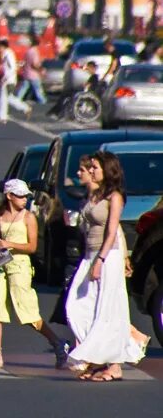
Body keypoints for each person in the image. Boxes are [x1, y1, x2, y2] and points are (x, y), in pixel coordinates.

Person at [65, 151, 145, 381]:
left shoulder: (114, 196)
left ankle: (114, 365)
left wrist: (101, 261)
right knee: (77, 305)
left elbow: (112, 231)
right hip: (89, 254)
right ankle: (96, 355)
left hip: (107, 256)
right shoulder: (95, 196)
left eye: (95, 168)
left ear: (107, 171)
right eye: (89, 168)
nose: (90, 171)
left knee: (109, 308)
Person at [0, 179, 69, 368]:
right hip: (1, 266)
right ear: (9, 196)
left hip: (20, 266)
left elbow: (32, 246)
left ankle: (57, 343)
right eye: (20, 195)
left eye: (26, 196)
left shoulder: (28, 217)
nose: (24, 199)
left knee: (26, 312)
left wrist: (10, 244)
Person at [0, 39, 31, 123]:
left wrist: (5, 77)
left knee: (8, 98)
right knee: (3, 98)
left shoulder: (8, 54)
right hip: (8, 79)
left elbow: (12, 67)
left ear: (2, 46)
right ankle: (2, 117)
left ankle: (25, 108)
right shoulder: (7, 54)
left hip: (9, 80)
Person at [15, 36, 47, 105]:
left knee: (24, 87)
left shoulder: (28, 51)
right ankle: (42, 101)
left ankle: (17, 99)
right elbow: (35, 64)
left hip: (27, 73)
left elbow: (25, 62)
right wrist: (41, 69)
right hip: (34, 74)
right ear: (38, 44)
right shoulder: (35, 52)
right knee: (38, 89)